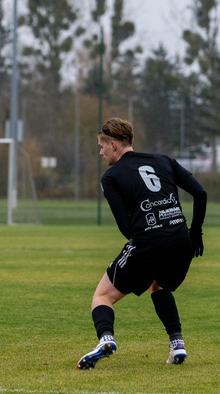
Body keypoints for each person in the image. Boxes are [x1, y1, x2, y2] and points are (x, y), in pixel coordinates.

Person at [77, 117, 207, 370]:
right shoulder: (163, 160)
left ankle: (106, 339)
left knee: (102, 295)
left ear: (114, 145)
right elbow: (200, 193)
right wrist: (195, 233)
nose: (100, 152)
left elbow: (125, 227)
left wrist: (147, 243)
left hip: (149, 243)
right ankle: (177, 344)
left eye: (102, 146)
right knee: (158, 285)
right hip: (182, 241)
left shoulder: (111, 176)